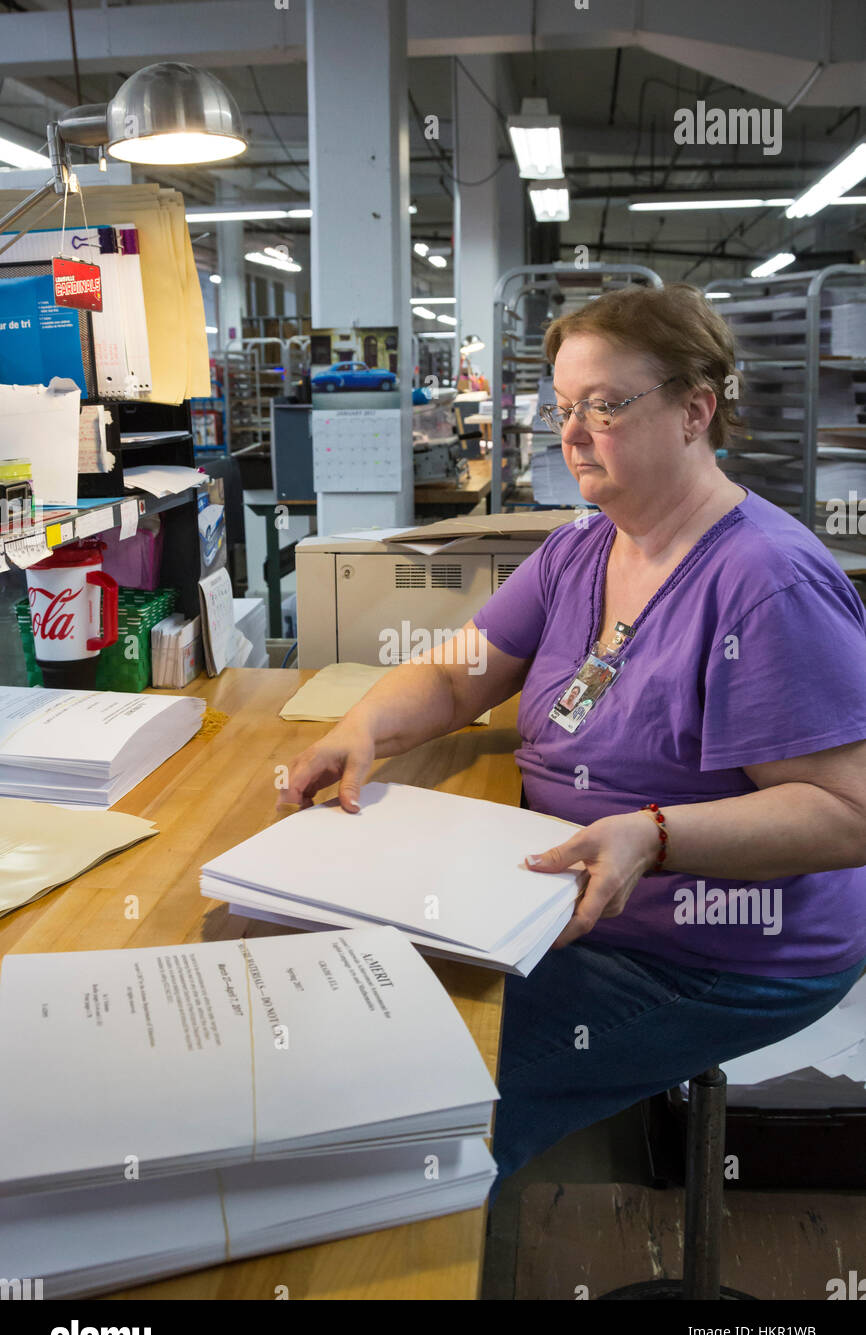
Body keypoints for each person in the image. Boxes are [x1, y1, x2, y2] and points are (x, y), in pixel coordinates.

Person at [281, 283, 866, 1200]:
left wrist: (657, 834)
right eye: (562, 408)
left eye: (605, 405)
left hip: (719, 954)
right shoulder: (583, 548)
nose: (575, 431)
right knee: (337, 1002)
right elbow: (456, 671)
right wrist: (363, 728)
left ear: (694, 411)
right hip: (563, 903)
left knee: (415, 1095)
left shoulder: (765, 582)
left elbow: (847, 814)